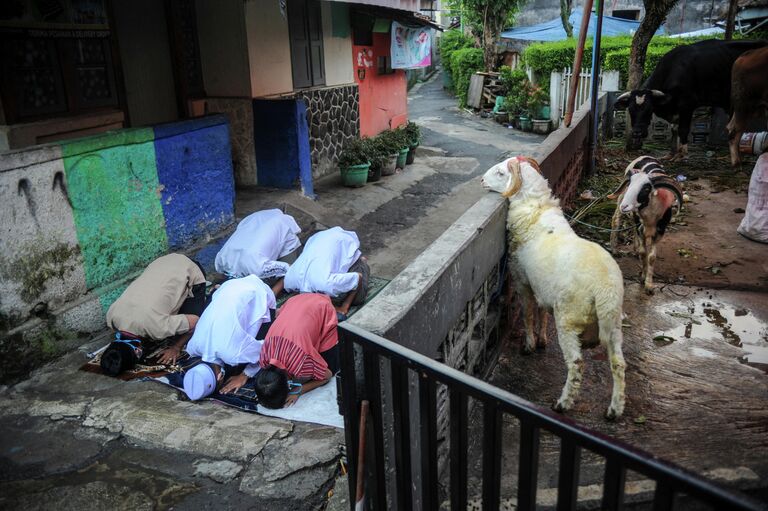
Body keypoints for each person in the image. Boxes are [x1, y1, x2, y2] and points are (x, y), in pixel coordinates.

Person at [155, 275, 277, 400]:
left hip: (259, 292)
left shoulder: (233, 354)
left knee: (261, 342)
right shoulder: (193, 347)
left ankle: (279, 313)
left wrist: (244, 375)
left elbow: (268, 350)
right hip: (229, 286)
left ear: (220, 377)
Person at [102, 254, 206, 376]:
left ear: (138, 351)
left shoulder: (157, 328)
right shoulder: (112, 318)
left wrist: (176, 347)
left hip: (190, 268)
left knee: (195, 318)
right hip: (161, 262)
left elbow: (195, 321)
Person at [253, 293, 339, 409]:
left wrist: (299, 390)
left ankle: (340, 321)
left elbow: (327, 376)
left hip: (321, 306)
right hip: (294, 301)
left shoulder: (300, 363)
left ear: (289, 385)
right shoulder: (264, 358)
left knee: (332, 368)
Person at [283, 227, 369, 318]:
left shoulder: (326, 283)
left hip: (343, 239)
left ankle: (361, 262)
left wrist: (344, 307)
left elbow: (358, 277)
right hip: (319, 238)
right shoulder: (290, 281)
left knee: (358, 299)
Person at [214, 209, 302, 295]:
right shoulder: (222, 260)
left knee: (291, 274)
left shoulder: (258, 267)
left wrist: (271, 296)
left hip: (281, 225)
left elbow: (291, 269)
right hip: (257, 220)